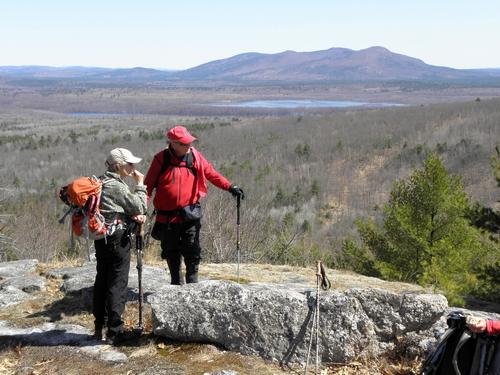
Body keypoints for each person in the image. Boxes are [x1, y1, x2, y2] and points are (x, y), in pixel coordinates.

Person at [144, 125, 244, 285]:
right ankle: (176, 284)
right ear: (173, 143)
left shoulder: (195, 157)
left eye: (189, 142)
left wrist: (230, 187)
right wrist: (141, 209)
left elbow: (211, 173)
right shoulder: (161, 159)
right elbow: (147, 186)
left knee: (192, 250)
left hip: (190, 214)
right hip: (167, 218)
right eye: (184, 143)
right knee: (171, 252)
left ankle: (193, 285)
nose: (189, 146)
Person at [93, 148, 147, 344]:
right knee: (117, 282)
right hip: (117, 237)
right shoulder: (116, 186)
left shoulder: (101, 181)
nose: (133, 168)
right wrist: (140, 185)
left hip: (102, 238)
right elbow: (140, 206)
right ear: (119, 165)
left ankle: (100, 327)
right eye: (130, 164)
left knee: (102, 280)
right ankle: (115, 331)